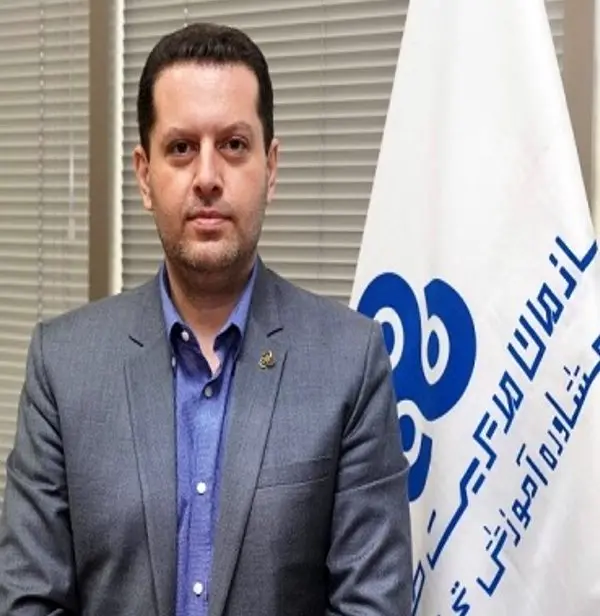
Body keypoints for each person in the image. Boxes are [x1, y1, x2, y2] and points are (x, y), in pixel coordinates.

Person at [0, 22, 412, 616]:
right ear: (145, 175)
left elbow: (371, 605)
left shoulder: (350, 362)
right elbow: (28, 600)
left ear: (271, 167)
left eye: (234, 145)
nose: (208, 177)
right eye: (181, 148)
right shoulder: (62, 367)